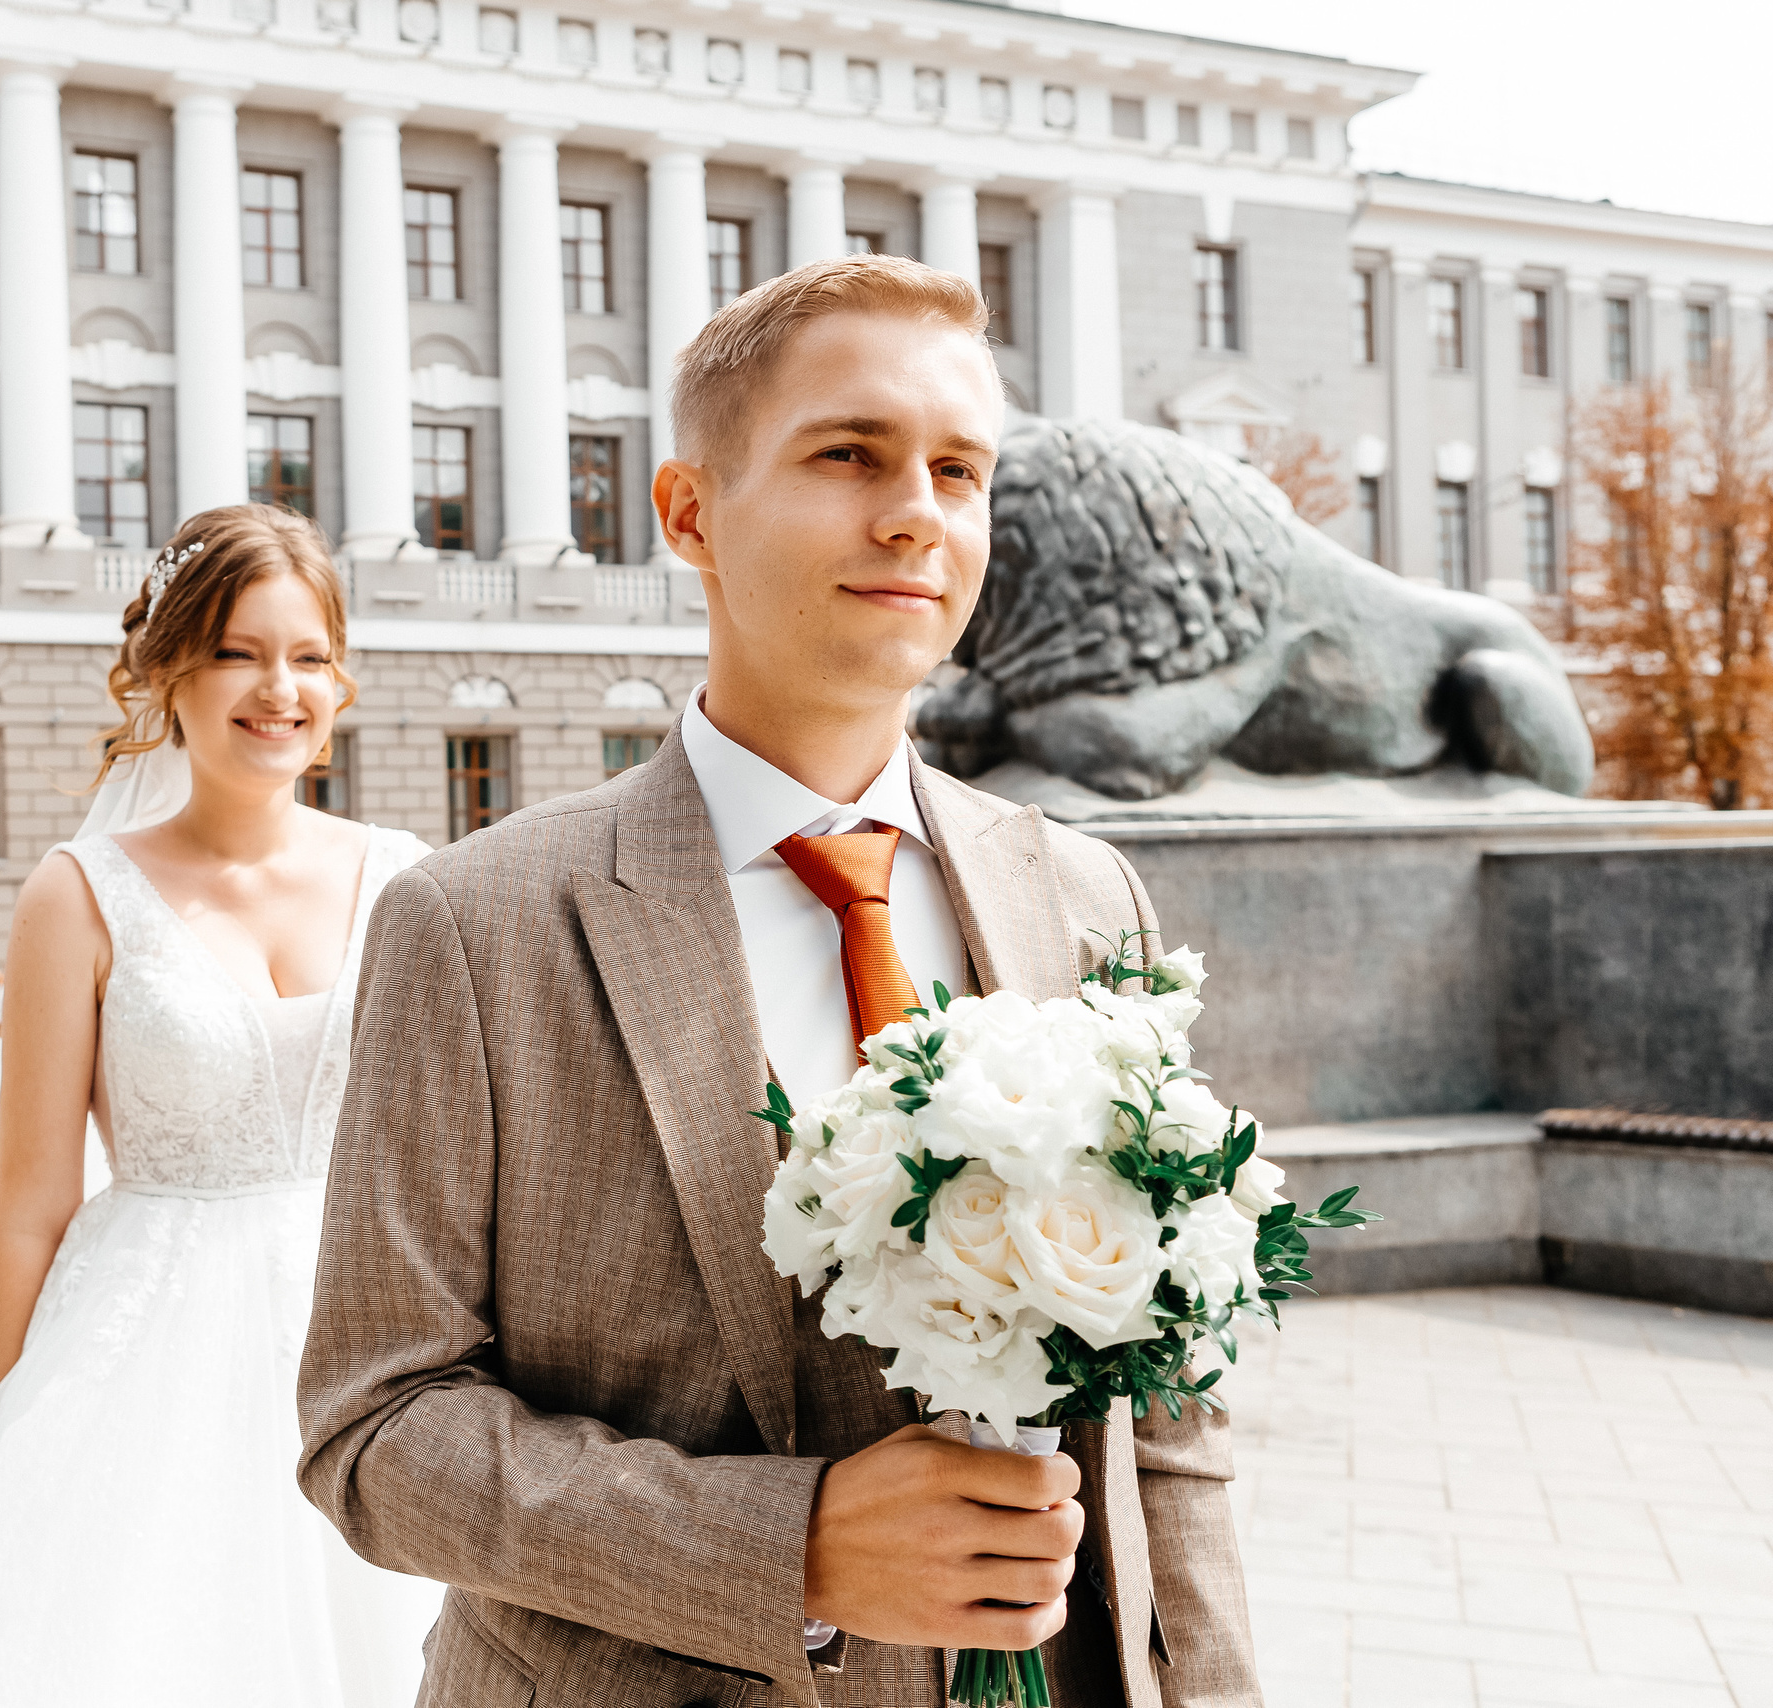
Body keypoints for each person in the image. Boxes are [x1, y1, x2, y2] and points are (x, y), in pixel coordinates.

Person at [298, 256, 1260, 1708]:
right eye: (848, 454)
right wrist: (787, 1548)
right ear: (688, 512)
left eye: (958, 468)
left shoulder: (1086, 896)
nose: (916, 514)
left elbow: (1171, 1425)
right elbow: (375, 1429)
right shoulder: (474, 924)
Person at [0, 505, 444, 1708]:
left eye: (308, 656)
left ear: (342, 682)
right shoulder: (78, 897)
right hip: (149, 1354)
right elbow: (30, 1205)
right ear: (166, 669)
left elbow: (453, 1162)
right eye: (237, 652)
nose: (279, 689)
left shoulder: (407, 875)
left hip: (369, 1335)